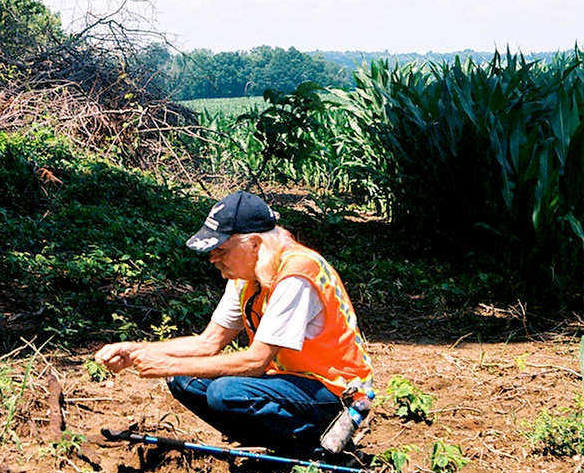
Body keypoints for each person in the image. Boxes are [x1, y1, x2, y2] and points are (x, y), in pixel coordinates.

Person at [95, 192, 374, 457]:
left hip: (335, 390)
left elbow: (255, 362)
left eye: (222, 249)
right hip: (291, 383)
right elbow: (208, 342)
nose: (213, 258)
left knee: (225, 393)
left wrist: (167, 363)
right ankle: (278, 439)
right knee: (184, 379)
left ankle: (318, 443)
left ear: (254, 243)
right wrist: (137, 351)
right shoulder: (248, 272)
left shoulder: (297, 275)